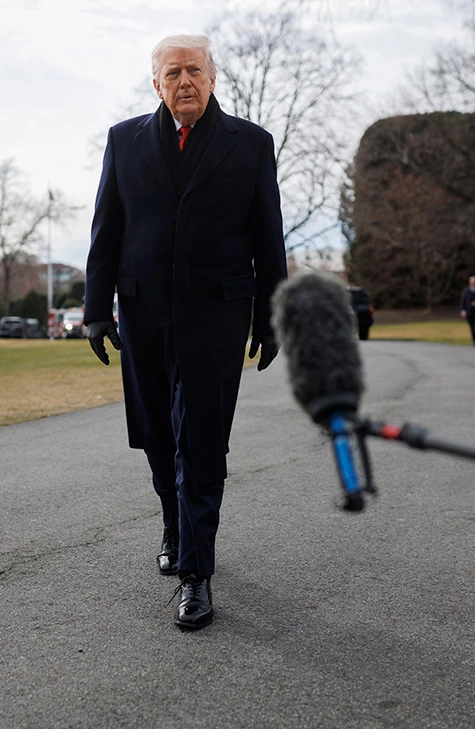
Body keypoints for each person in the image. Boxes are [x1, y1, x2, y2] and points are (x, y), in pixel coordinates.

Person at [82, 34, 288, 631]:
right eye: (172, 73)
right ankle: (173, 527)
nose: (184, 81)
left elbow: (267, 239)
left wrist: (269, 319)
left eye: (194, 70)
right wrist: (97, 310)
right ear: (157, 84)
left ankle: (197, 574)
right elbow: (106, 229)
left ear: (213, 77)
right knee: (155, 436)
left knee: (200, 443)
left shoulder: (250, 145)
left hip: (216, 316)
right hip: (143, 313)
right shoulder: (124, 142)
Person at [459, 275, 475, 346]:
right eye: (472, 282)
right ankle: (473, 340)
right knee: (471, 326)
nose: (474, 283)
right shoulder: (466, 290)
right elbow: (463, 301)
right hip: (469, 311)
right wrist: (463, 310)